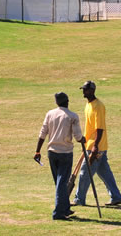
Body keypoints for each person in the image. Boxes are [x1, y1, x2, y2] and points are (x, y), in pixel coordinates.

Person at [73, 80, 121, 206]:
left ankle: (79, 199)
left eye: (85, 90)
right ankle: (116, 196)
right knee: (104, 173)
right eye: (83, 90)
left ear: (92, 90)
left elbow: (99, 128)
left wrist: (95, 146)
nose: (83, 92)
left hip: (96, 147)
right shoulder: (88, 105)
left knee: (85, 173)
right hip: (90, 145)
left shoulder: (98, 106)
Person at [35, 92, 85, 220]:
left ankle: (65, 208)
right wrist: (83, 139)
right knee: (61, 183)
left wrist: (37, 151)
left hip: (52, 152)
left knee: (59, 183)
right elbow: (78, 136)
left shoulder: (50, 114)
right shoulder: (72, 116)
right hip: (65, 153)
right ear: (68, 101)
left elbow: (43, 133)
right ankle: (58, 213)